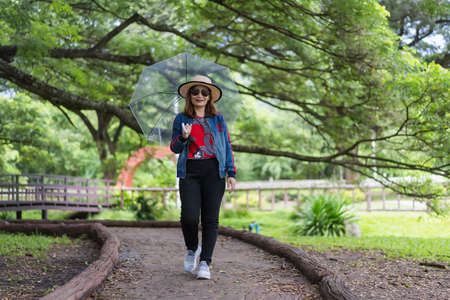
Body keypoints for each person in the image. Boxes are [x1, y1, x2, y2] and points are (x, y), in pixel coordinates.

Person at [170, 74, 236, 280]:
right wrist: (184, 137)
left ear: (210, 97)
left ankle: (205, 262)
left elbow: (226, 145)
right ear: (189, 96)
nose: (200, 95)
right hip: (190, 171)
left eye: (204, 92)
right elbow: (174, 148)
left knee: (210, 220)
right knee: (188, 217)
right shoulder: (181, 119)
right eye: (196, 91)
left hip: (213, 173)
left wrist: (231, 172)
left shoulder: (218, 119)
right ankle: (192, 249)